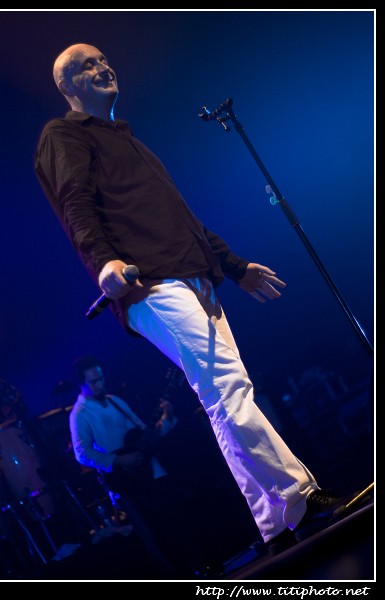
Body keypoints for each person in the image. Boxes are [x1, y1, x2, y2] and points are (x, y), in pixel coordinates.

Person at [34, 43, 365, 559]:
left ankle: (274, 520)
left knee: (222, 396)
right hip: (150, 284)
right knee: (227, 386)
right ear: (66, 86)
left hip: (193, 275)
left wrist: (232, 266)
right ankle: (300, 497)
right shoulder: (64, 134)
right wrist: (104, 262)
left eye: (102, 59)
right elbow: (75, 201)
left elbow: (180, 215)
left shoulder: (130, 142)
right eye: (86, 66)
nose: (102, 67)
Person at [68, 355, 202, 576]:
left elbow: (146, 434)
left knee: (179, 520)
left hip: (153, 471)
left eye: (101, 378)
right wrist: (120, 460)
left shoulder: (115, 401)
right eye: (93, 381)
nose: (100, 384)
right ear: (81, 385)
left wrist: (167, 416)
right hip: (127, 482)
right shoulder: (79, 415)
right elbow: (82, 454)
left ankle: (199, 568)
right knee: (157, 534)